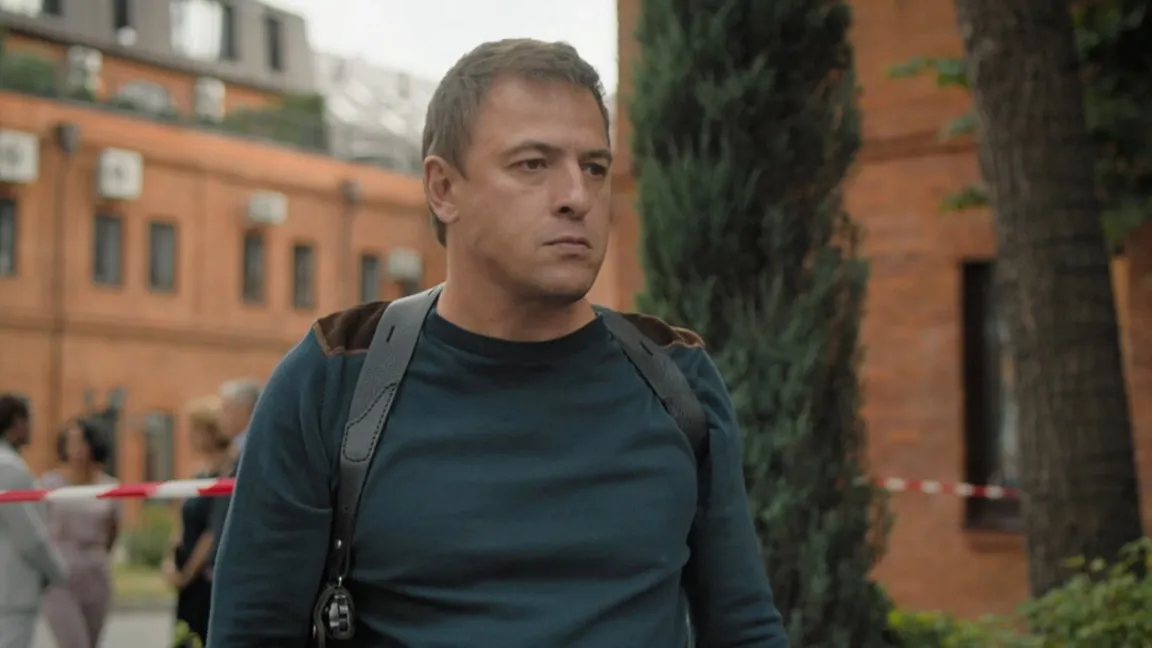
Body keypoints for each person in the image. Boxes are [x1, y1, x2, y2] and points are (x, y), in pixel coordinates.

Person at [208, 38, 789, 647]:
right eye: (533, 164)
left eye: (594, 167)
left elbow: (744, 628)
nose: (577, 196)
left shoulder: (676, 381)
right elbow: (251, 633)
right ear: (443, 188)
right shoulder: (336, 379)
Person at [38, 418, 120, 648]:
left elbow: (113, 532)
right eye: (70, 442)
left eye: (79, 442)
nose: (74, 449)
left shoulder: (110, 486)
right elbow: (38, 526)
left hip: (96, 576)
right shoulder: (50, 483)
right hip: (61, 578)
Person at [0, 394, 68, 648]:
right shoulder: (9, 468)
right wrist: (58, 571)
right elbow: (29, 536)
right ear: (17, 422)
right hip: (11, 590)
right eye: (30, 420)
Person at [162, 396, 231, 644]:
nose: (190, 437)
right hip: (185, 570)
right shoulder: (198, 472)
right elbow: (181, 520)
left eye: (194, 430)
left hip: (203, 575)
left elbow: (213, 530)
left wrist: (188, 573)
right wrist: (170, 560)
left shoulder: (226, 473)